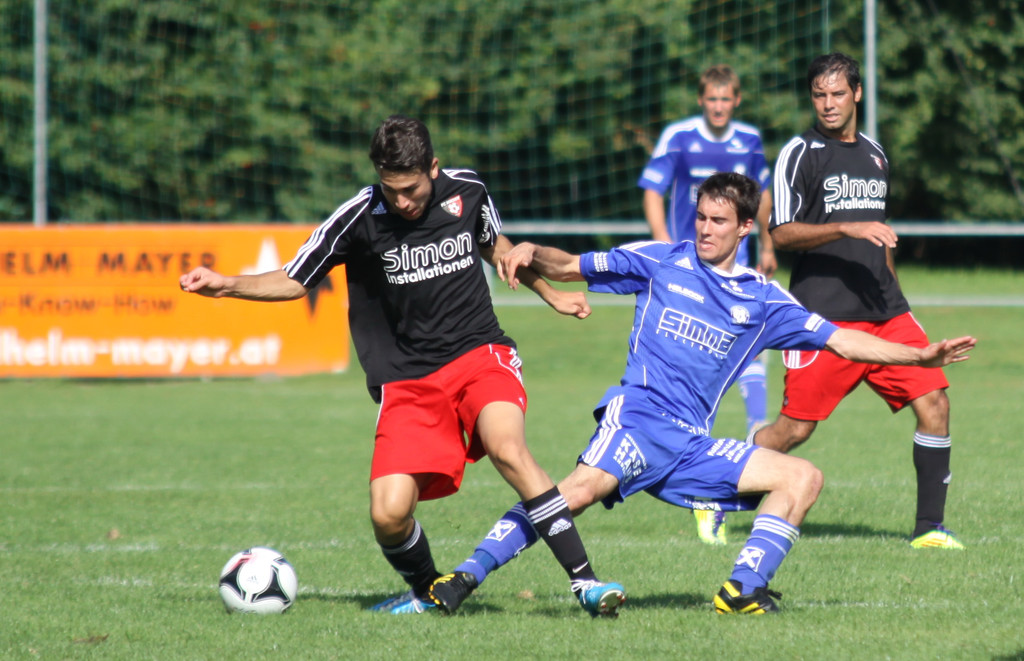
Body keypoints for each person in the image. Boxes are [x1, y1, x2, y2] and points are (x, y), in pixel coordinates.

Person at [427, 172, 974, 616]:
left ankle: (742, 591)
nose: (705, 230)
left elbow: (843, 340)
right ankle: (464, 577)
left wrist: (918, 356)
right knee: (578, 491)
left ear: (745, 229)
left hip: (691, 444)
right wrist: (529, 250)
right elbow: (570, 266)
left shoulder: (763, 300)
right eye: (701, 218)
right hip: (639, 421)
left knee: (802, 478)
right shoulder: (662, 260)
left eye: (719, 221)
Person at [178, 115, 625, 616]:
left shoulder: (468, 190)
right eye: (391, 190)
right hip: (409, 380)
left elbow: (494, 245)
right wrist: (227, 284)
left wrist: (552, 294)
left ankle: (586, 583)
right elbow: (295, 278)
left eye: (411, 190)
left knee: (508, 448)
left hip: (481, 354)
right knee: (388, 514)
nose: (402, 202)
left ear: (433, 167)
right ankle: (429, 591)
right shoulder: (359, 216)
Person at [756, 52, 965, 550]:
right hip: (824, 318)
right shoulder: (799, 153)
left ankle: (929, 530)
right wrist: (844, 227)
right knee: (794, 430)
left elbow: (880, 235)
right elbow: (781, 232)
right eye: (819, 95)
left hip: (886, 312)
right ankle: (723, 482)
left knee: (935, 403)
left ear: (857, 94)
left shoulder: (875, 154)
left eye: (837, 94)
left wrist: (897, 297)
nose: (828, 104)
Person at [637, 63, 777, 544]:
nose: (718, 107)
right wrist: (664, 246)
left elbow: (761, 198)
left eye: (726, 99)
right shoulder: (679, 136)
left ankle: (755, 430)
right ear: (702, 101)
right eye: (711, 99)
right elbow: (653, 189)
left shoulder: (750, 140)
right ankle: (704, 491)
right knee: (699, 369)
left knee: (751, 352)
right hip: (691, 274)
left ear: (737, 101)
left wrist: (768, 244)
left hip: (737, 269)